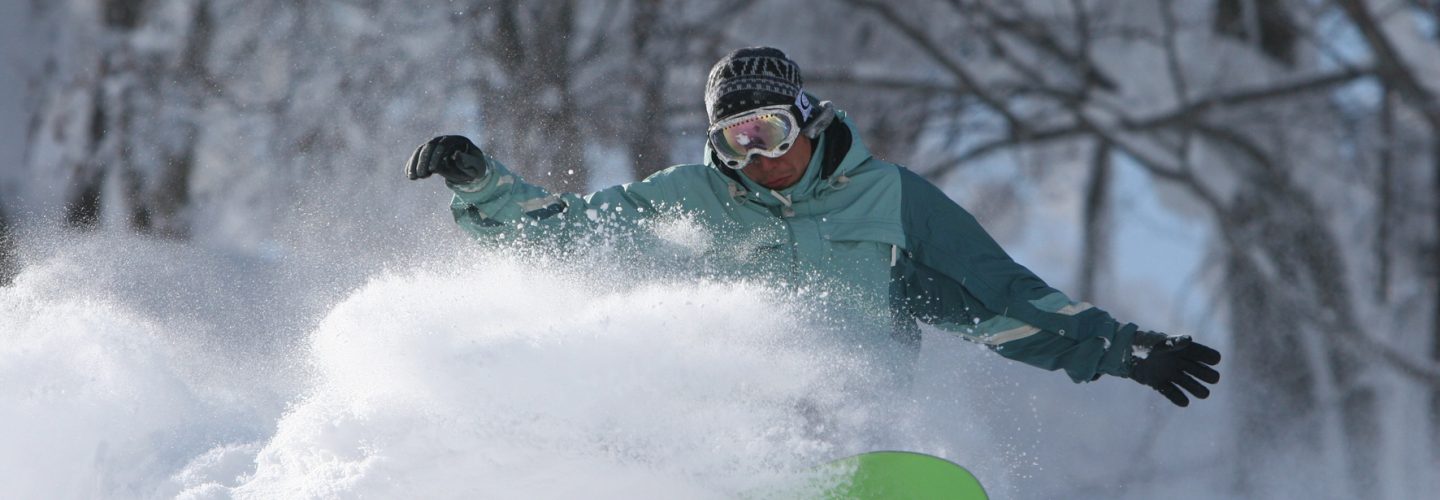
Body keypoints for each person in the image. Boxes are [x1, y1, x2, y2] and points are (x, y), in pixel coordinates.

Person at [405, 47, 1220, 407]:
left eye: (768, 131)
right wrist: (483, 186)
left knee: (948, 306)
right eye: (735, 141)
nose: (757, 157)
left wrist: (1120, 349)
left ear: (805, 119)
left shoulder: (894, 200)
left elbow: (1002, 298)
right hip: (725, 406)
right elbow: (578, 237)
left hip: (856, 404)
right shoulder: (694, 194)